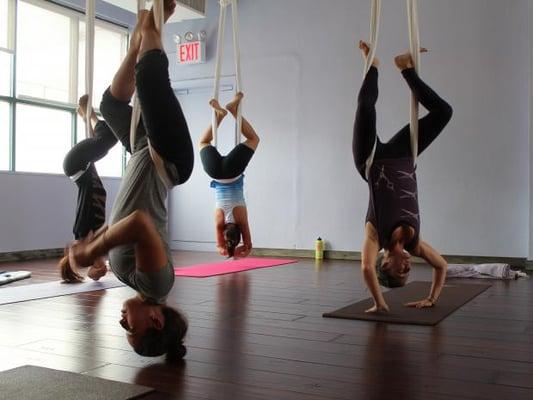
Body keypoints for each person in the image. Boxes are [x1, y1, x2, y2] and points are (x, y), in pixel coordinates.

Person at [68, 0, 193, 359]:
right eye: (130, 328)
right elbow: (138, 223)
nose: (122, 321)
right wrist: (92, 249)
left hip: (142, 147)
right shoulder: (157, 284)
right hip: (167, 157)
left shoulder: (133, 282)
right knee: (150, 76)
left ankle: (150, 26)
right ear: (155, 320)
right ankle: (150, 25)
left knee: (110, 105)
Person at [353, 40, 453, 312]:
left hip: (370, 160)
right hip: (403, 157)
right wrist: (432, 299)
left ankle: (372, 65)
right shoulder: (415, 243)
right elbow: (441, 266)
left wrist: (380, 302)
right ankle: (404, 67)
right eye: (408, 273)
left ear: (385, 263)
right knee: (444, 113)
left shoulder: (376, 236)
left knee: (365, 107)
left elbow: (365, 267)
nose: (408, 267)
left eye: (401, 272)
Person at [59, 94, 116, 283]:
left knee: (107, 137)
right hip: (82, 166)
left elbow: (81, 245)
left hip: (76, 164)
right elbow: (98, 250)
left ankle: (87, 111)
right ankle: (87, 115)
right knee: (105, 139)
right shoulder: (94, 233)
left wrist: (91, 265)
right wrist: (98, 268)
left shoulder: (83, 231)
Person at [198, 92, 260, 258]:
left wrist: (240, 249)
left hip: (233, 171)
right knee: (203, 142)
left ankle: (232, 110)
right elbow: (221, 248)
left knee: (253, 139)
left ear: (238, 234)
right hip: (215, 172)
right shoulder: (219, 222)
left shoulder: (241, 220)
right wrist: (230, 251)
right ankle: (219, 115)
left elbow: (248, 246)